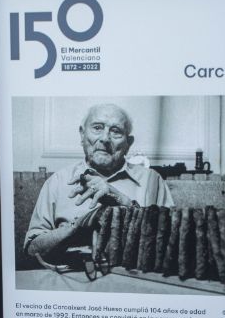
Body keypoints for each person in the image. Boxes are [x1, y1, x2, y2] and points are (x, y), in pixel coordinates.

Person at [24, 103, 174, 261]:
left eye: (116, 131)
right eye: (97, 128)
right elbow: (31, 250)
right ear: (82, 135)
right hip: (70, 279)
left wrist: (121, 202)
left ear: (128, 143)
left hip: (134, 277)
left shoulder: (152, 181)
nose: (104, 138)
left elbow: (172, 246)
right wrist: (76, 228)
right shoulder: (57, 182)